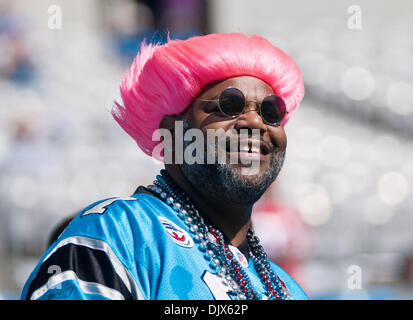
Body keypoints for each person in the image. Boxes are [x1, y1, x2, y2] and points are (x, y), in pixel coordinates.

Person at [21, 33, 307, 300]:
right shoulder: (119, 233)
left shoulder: (288, 288)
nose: (255, 123)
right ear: (172, 133)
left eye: (271, 113)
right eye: (228, 106)